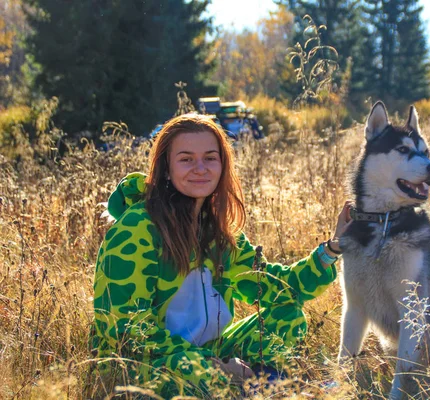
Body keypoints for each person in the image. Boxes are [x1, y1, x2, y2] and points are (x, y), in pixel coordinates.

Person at [91, 113, 351, 398]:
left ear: (223, 165)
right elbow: (128, 333)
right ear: (166, 168)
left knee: (285, 317)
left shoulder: (218, 230)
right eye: (186, 159)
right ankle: (268, 387)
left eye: (210, 158)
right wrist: (213, 368)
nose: (200, 168)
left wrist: (333, 248)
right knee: (197, 374)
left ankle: (260, 386)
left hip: (208, 352)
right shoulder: (136, 229)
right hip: (143, 365)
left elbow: (282, 291)